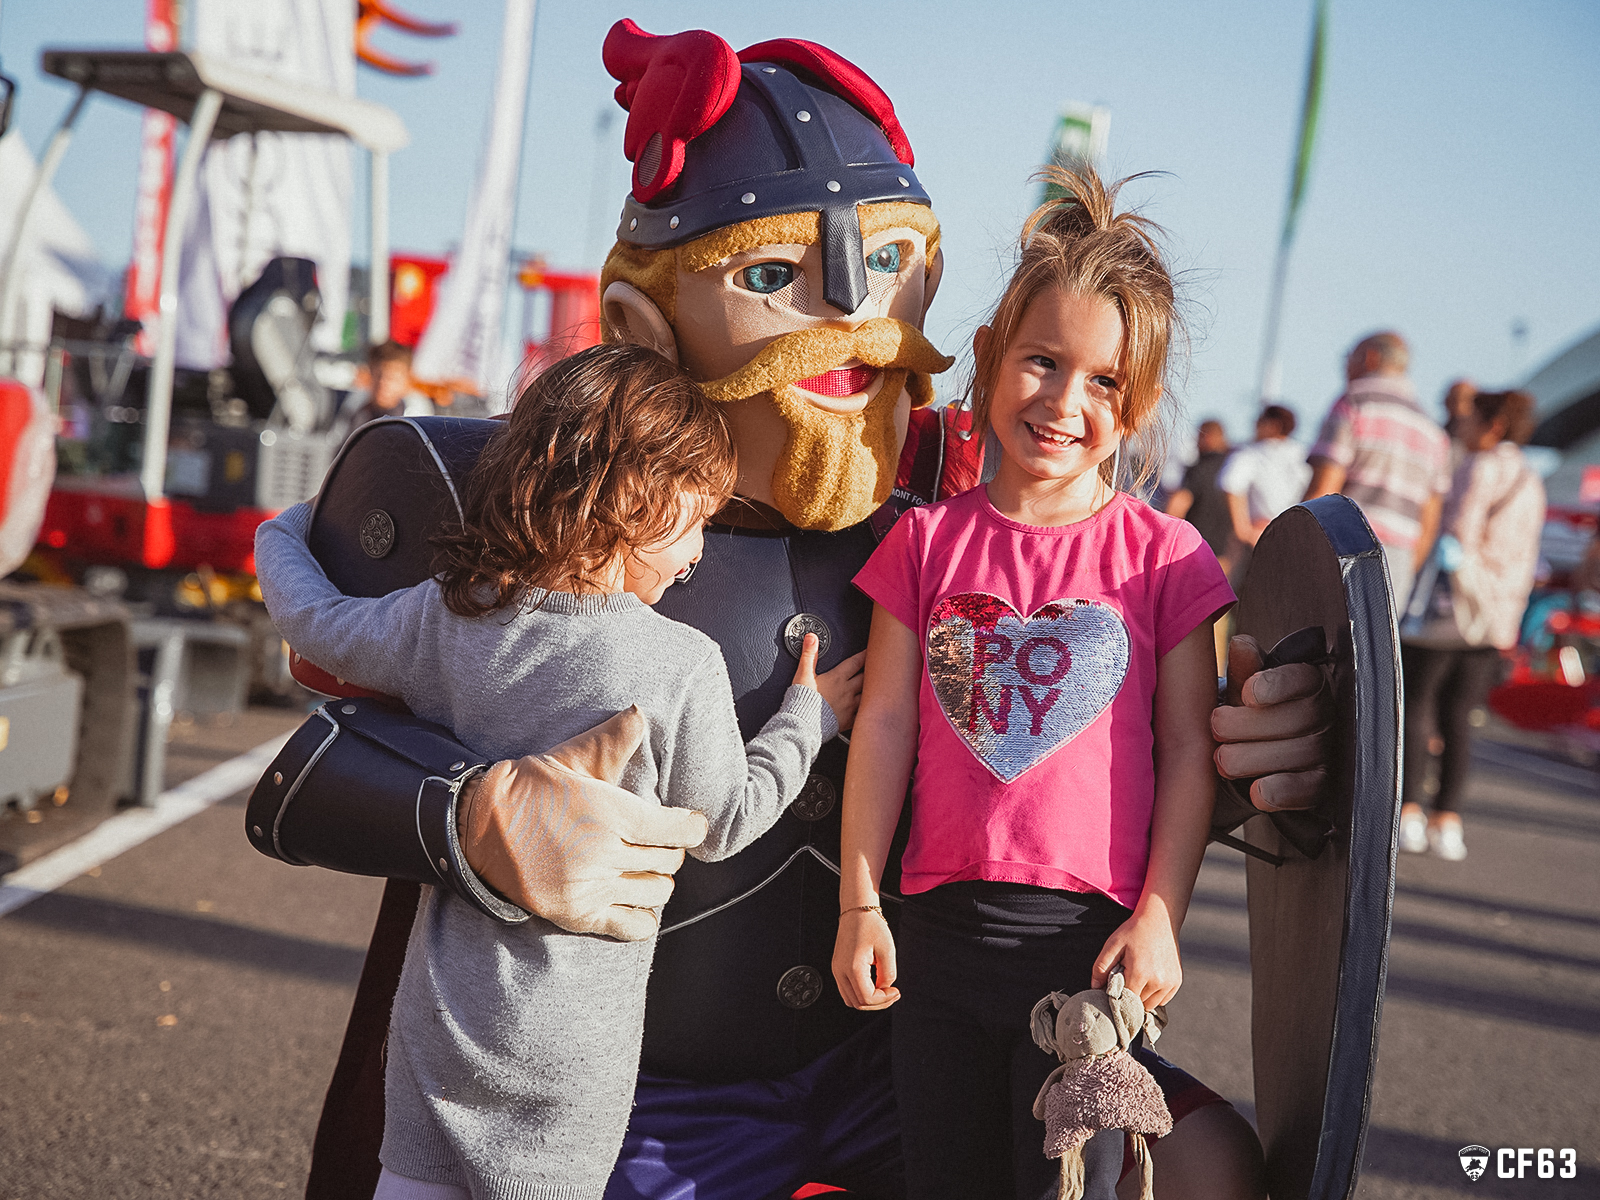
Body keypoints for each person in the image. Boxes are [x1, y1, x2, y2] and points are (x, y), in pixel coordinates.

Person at [265, 22, 1335, 1200]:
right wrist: (461, 819)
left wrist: (1268, 740)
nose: (855, 319)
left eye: (886, 269)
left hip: (901, 1041)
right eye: (776, 274)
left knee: (1200, 1171)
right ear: (642, 321)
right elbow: (305, 772)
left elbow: (1088, 755)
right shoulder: (503, 488)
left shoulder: (946, 508)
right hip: (632, 1090)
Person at [256, 343, 863, 1199]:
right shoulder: (675, 663)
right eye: (695, 520)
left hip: (438, 1026)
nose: (697, 553)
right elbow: (727, 820)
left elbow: (318, 620)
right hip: (569, 1054)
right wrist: (811, 715)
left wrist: (283, 529)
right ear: (636, 499)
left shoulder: (454, 615)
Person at [832, 167, 1236, 1199]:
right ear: (989, 359)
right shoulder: (922, 545)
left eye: (1102, 383)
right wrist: (860, 905)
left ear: (1136, 404)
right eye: (1041, 362)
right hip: (933, 941)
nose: (1063, 402)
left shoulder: (1167, 557)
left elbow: (1192, 748)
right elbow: (883, 728)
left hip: (1089, 960)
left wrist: (1160, 914)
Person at [1399, 389, 1544, 861]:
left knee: (1418, 702)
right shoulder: (1531, 479)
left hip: (1451, 608)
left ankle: (1410, 812)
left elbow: (1456, 531)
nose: (1461, 425)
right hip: (1496, 616)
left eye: (1470, 418)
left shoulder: (1477, 468)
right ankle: (1450, 819)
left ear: (1493, 425)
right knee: (1459, 716)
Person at [1304, 331, 1451, 606]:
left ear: (1370, 358)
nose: (1345, 365)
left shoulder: (1354, 403)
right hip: (1399, 560)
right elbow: (1429, 519)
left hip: (1344, 549)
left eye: (1349, 356)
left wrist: (1295, 547)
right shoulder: (1432, 430)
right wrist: (1406, 566)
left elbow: (1323, 493)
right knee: (1377, 647)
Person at [1219, 404, 1310, 556]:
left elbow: (1231, 485)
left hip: (1259, 536)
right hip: (1297, 539)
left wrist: (1243, 531)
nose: (1254, 424)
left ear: (1273, 425)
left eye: (1260, 420)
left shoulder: (1250, 454)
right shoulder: (1304, 455)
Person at [338, 340, 433, 439]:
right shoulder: (356, 406)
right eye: (378, 376)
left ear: (407, 378)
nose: (383, 383)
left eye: (392, 378)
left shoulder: (417, 415)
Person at [1165, 420, 1232, 558]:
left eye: (1199, 436)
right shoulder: (1232, 467)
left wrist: (1167, 540)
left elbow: (1178, 505)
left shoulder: (1199, 469)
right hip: (1225, 551)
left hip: (1194, 549)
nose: (1196, 442)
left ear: (1207, 437)